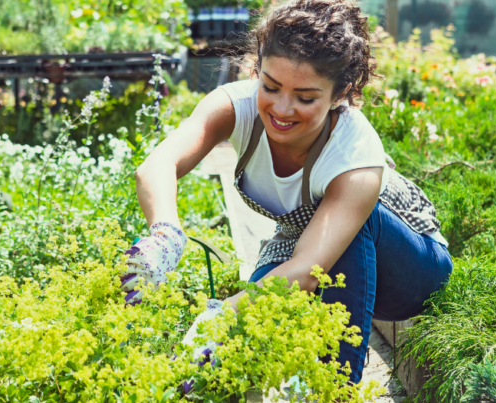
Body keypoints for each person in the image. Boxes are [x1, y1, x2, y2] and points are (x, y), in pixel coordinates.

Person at [122, 0, 453, 384]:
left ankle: (333, 385)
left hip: (411, 271)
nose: (281, 108)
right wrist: (166, 234)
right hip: (305, 247)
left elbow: (308, 270)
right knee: (254, 314)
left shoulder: (355, 154)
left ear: (340, 93)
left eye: (305, 97)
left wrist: (222, 315)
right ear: (257, 69)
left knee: (265, 294)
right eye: (270, 86)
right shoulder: (236, 107)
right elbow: (156, 166)